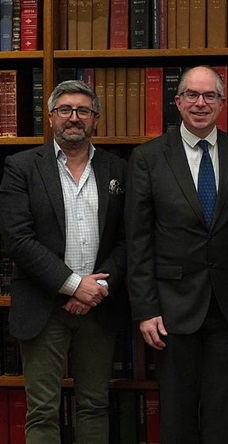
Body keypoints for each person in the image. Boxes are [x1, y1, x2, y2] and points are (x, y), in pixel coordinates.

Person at [125, 66, 228, 443]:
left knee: (224, 413)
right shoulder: (148, 158)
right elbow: (138, 241)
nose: (200, 103)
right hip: (171, 308)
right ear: (178, 101)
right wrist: (146, 309)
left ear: (221, 103)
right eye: (192, 95)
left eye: (209, 96)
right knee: (177, 415)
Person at [0, 80, 127, 443]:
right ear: (51, 118)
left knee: (94, 404)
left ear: (96, 119)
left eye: (83, 110)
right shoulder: (21, 167)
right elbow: (17, 239)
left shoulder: (117, 169)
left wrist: (97, 288)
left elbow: (127, 240)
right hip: (43, 307)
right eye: (65, 110)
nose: (74, 118)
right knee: (42, 409)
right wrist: (75, 285)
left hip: (99, 308)